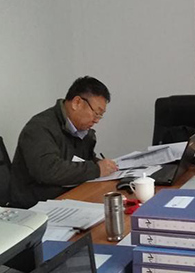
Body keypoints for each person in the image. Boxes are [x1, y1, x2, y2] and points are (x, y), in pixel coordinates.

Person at [10, 76, 119, 208]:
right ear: (77, 103)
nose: (97, 120)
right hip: (37, 206)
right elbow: (49, 171)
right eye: (96, 113)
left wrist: (101, 165)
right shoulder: (39, 128)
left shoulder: (82, 130)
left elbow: (82, 160)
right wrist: (96, 169)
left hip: (69, 196)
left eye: (100, 115)